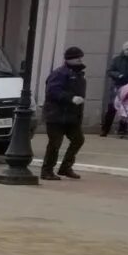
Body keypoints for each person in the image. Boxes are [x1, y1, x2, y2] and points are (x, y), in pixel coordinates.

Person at [41, 46, 87, 180]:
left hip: (72, 116)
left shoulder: (79, 74)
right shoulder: (59, 73)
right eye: (76, 57)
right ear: (68, 59)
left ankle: (66, 167)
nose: (79, 59)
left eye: (80, 57)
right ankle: (47, 170)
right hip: (56, 115)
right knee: (55, 143)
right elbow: (52, 91)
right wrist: (70, 98)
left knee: (78, 139)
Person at [101, 41, 128, 137]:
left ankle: (122, 129)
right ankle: (105, 129)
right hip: (118, 85)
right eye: (127, 49)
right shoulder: (117, 59)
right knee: (112, 107)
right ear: (124, 49)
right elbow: (110, 71)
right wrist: (118, 75)